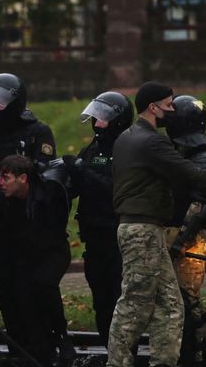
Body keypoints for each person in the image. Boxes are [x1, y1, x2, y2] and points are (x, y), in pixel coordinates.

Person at [107, 81, 206, 367]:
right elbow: (192, 174)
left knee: (171, 304)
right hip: (143, 230)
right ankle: (117, 362)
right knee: (135, 303)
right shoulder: (152, 141)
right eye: (168, 105)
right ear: (153, 107)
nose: (173, 111)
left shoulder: (126, 138)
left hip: (145, 230)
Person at [0, 73, 56, 347]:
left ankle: (41, 346)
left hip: (30, 227)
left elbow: (47, 179)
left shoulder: (38, 133)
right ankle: (16, 346)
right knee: (7, 291)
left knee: (32, 290)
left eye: (1, 103)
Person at [62, 91, 133, 347]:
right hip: (94, 237)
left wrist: (83, 172)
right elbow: (76, 184)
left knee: (118, 297)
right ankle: (108, 349)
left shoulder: (126, 148)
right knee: (100, 297)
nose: (97, 123)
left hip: (117, 235)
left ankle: (123, 351)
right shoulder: (92, 148)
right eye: (96, 117)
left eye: (103, 119)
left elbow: (115, 187)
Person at [0, 155, 73, 367]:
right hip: (29, 254)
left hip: (52, 251)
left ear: (23, 179)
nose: (0, 182)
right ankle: (40, 349)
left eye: (6, 177)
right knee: (24, 295)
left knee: (44, 283)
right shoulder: (8, 201)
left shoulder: (46, 196)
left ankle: (61, 335)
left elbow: (52, 230)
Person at [163, 95, 206, 367]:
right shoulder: (186, 153)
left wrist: (180, 242)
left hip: (194, 239)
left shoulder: (204, 158)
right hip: (181, 235)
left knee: (185, 300)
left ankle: (202, 354)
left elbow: (202, 207)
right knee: (187, 301)